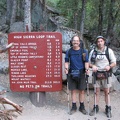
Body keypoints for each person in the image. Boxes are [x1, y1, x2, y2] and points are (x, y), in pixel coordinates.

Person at [89, 36, 116, 118]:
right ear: (96, 43)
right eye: (98, 41)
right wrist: (92, 66)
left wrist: (109, 66)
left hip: (106, 74)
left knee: (106, 91)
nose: (99, 43)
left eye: (101, 41)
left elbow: (114, 62)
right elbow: (89, 63)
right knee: (96, 91)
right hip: (96, 74)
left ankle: (108, 108)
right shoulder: (93, 51)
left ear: (104, 41)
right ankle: (95, 107)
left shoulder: (109, 51)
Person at [64, 35, 89, 115]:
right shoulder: (69, 51)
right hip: (72, 73)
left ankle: (82, 107)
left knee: (82, 91)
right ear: (72, 42)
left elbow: (86, 62)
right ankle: (74, 107)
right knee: (73, 91)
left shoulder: (84, 52)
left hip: (81, 73)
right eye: (74, 41)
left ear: (79, 42)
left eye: (77, 41)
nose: (75, 42)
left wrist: (87, 69)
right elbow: (67, 61)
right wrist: (66, 68)